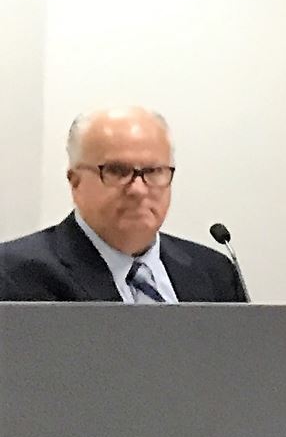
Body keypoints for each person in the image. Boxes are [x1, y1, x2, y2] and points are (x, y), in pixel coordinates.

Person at [0, 107, 246, 303]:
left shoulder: (215, 272)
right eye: (117, 171)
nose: (138, 189)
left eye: (154, 171)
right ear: (75, 182)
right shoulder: (14, 274)